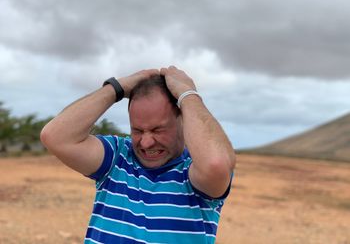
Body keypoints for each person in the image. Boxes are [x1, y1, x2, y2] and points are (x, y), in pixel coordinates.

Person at [40, 66, 236, 244]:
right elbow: (55, 137)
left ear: (183, 120)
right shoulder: (118, 157)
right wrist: (116, 87)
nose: (146, 142)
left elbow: (216, 164)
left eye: (158, 130)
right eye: (138, 131)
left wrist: (188, 94)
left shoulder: (194, 171)